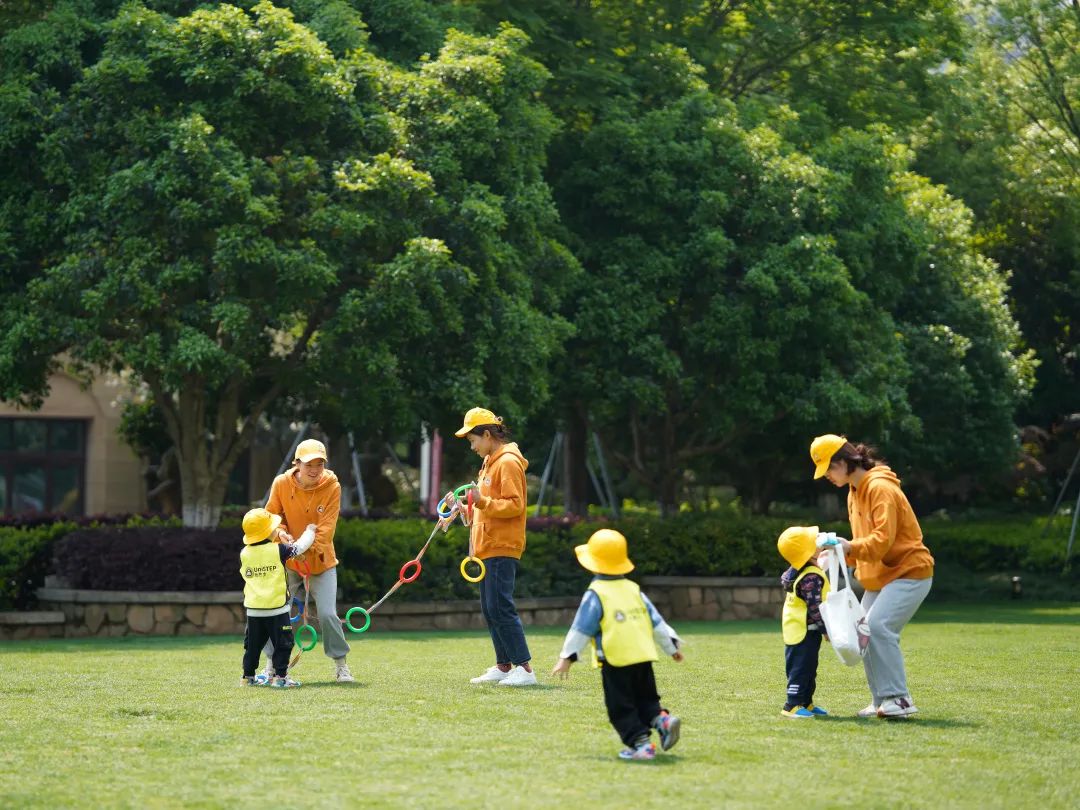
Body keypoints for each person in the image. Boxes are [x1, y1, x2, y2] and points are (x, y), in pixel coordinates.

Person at [810, 434, 935, 718]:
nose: (827, 475)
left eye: (829, 468)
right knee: (861, 632)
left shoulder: (880, 488)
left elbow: (881, 541)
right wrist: (840, 555)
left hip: (910, 571)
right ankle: (882, 700)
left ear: (843, 462)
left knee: (877, 628)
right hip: (882, 575)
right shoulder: (854, 492)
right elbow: (864, 543)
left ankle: (899, 699)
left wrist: (848, 547)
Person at [551, 529, 682, 761]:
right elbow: (657, 621)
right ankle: (661, 720)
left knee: (620, 706)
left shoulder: (596, 593)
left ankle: (640, 744)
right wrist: (672, 647)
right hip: (643, 656)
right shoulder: (633, 589)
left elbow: (581, 628)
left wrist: (567, 657)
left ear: (593, 564)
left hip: (615, 659)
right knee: (646, 699)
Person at [449, 407, 536, 687]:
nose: (472, 447)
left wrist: (481, 501)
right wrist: (461, 508)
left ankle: (524, 669)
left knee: (501, 606)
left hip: (502, 545)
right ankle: (504, 665)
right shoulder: (489, 462)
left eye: (473, 440)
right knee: (490, 608)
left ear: (487, 435)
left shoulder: (507, 462)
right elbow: (484, 508)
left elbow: (515, 505)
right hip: (486, 547)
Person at [259, 438, 354, 683]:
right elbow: (271, 518)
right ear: (297, 463)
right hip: (288, 563)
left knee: (327, 614)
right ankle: (271, 665)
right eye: (309, 463)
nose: (314, 469)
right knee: (277, 614)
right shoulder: (281, 483)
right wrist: (282, 536)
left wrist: (305, 549)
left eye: (319, 463)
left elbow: (327, 528)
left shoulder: (332, 485)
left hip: (321, 562)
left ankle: (341, 666)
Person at [239, 508, 315, 688]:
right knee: (283, 644)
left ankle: (247, 677)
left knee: (252, 646)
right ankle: (280, 678)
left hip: (254, 610)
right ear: (268, 532)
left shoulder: (245, 553)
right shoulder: (278, 550)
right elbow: (299, 547)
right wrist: (310, 531)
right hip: (277, 609)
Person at [777, 526, 830, 719]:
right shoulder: (810, 577)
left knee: (809, 668)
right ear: (807, 552)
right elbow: (814, 606)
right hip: (803, 631)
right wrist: (827, 630)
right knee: (800, 669)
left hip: (806, 630)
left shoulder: (805, 570)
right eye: (815, 543)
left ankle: (806, 702)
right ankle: (792, 704)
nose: (820, 544)